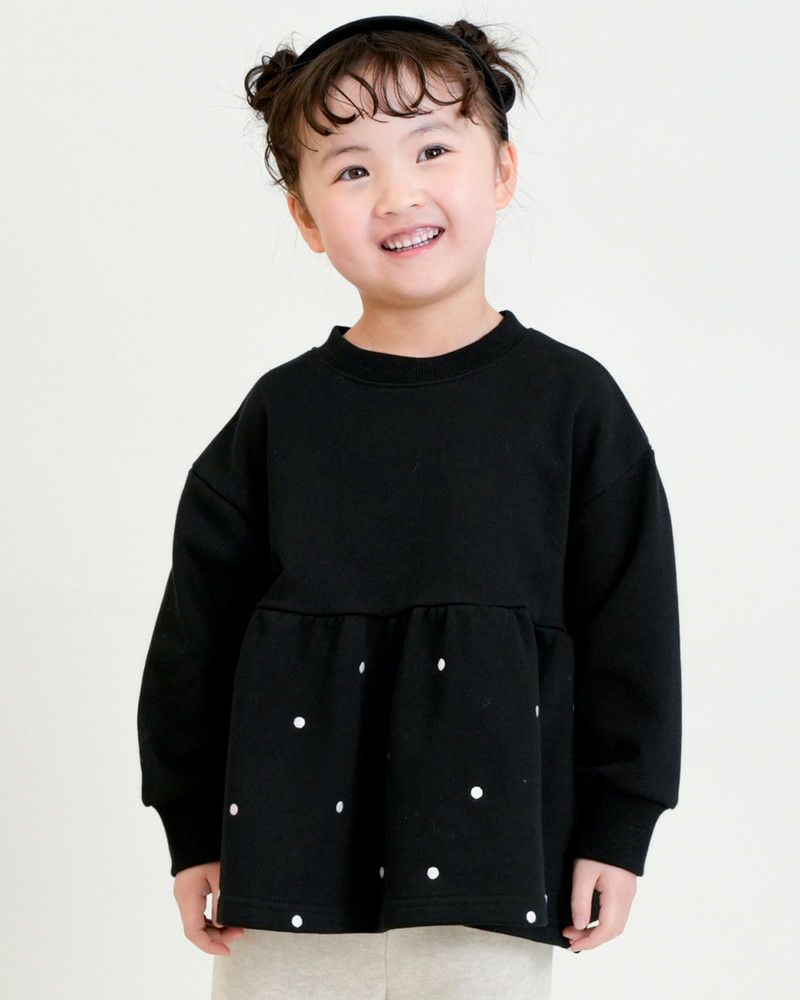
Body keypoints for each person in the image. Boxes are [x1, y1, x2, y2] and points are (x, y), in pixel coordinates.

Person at [136, 14, 682, 1000]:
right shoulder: (279, 417)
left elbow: (630, 630)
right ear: (306, 219)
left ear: (501, 171)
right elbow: (194, 638)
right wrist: (191, 828)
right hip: (283, 871)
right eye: (351, 170)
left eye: (431, 149)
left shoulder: (572, 405)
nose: (396, 194)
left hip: (492, 865)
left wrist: (618, 827)